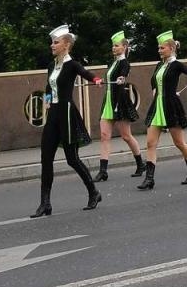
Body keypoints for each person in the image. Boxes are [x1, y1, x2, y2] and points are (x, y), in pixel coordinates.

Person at [29, 25, 103, 218]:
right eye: (52, 42)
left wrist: (96, 80)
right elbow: (48, 86)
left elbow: (86, 74)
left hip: (67, 114)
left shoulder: (72, 65)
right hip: (53, 114)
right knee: (46, 159)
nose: (52, 45)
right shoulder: (51, 65)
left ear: (66, 45)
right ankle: (45, 203)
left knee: (72, 159)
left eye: (56, 42)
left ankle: (93, 192)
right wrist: (46, 101)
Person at [138, 31, 187, 190]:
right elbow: (153, 80)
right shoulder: (159, 65)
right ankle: (149, 179)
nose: (159, 50)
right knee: (150, 143)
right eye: (159, 48)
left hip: (171, 106)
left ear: (172, 48)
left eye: (162, 48)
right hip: (157, 106)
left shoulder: (177, 65)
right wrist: (155, 89)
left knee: (179, 143)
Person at [95, 31, 145, 181]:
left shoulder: (124, 63)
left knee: (126, 136)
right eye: (113, 46)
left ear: (124, 47)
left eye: (116, 46)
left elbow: (124, 73)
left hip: (119, 101)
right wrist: (100, 82)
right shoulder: (112, 63)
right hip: (108, 100)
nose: (114, 48)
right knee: (104, 136)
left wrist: (122, 78)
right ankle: (103, 171)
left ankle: (140, 164)